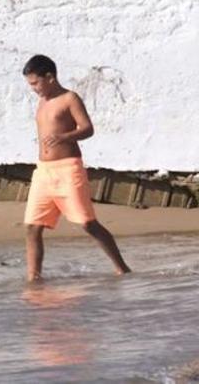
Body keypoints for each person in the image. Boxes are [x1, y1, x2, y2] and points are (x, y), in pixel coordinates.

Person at [22, 55, 132, 283]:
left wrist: (64, 136)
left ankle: (122, 268)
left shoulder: (69, 98)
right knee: (32, 226)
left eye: (35, 83)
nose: (33, 88)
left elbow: (87, 128)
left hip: (68, 169)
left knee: (87, 223)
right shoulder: (42, 101)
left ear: (50, 77)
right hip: (43, 171)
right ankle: (33, 278)